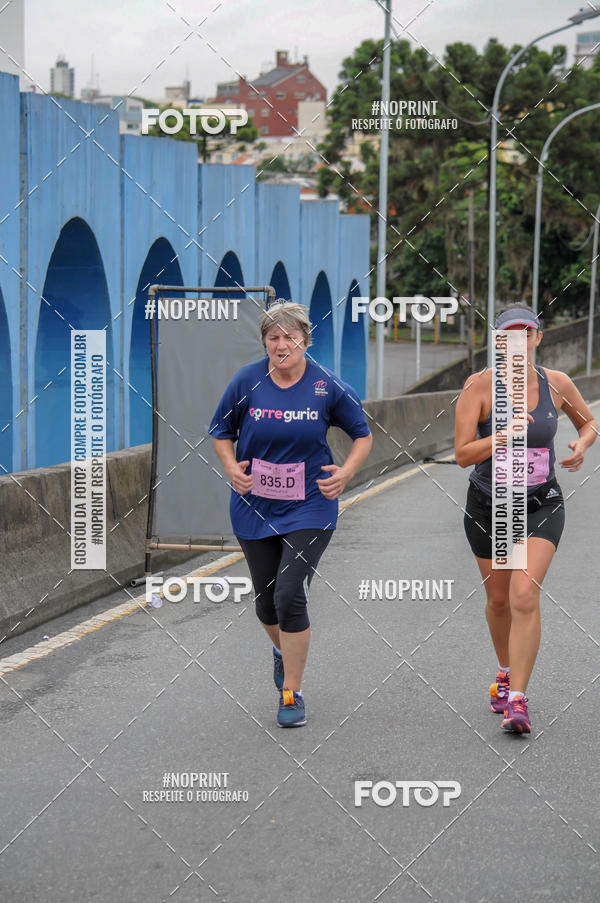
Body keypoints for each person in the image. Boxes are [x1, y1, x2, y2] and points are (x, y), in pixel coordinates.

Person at [209, 301, 372, 727]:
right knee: (267, 605)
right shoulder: (247, 380)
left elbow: (362, 434)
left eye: (290, 337)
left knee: (289, 593)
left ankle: (292, 692)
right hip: (254, 505)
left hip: (311, 504)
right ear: (265, 341)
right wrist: (231, 468)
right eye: (273, 337)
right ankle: (282, 649)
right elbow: (221, 433)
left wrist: (347, 472)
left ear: (305, 338)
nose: (282, 345)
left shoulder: (326, 385)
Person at [454, 303, 597, 733]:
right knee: (498, 601)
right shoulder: (478, 387)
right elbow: (462, 454)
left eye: (526, 333)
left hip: (540, 503)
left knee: (522, 596)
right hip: (492, 506)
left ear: (538, 337)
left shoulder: (557, 384)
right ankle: (504, 670)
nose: (518, 343)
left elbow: (589, 422)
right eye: (508, 336)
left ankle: (518, 697)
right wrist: (500, 437)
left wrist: (582, 444)